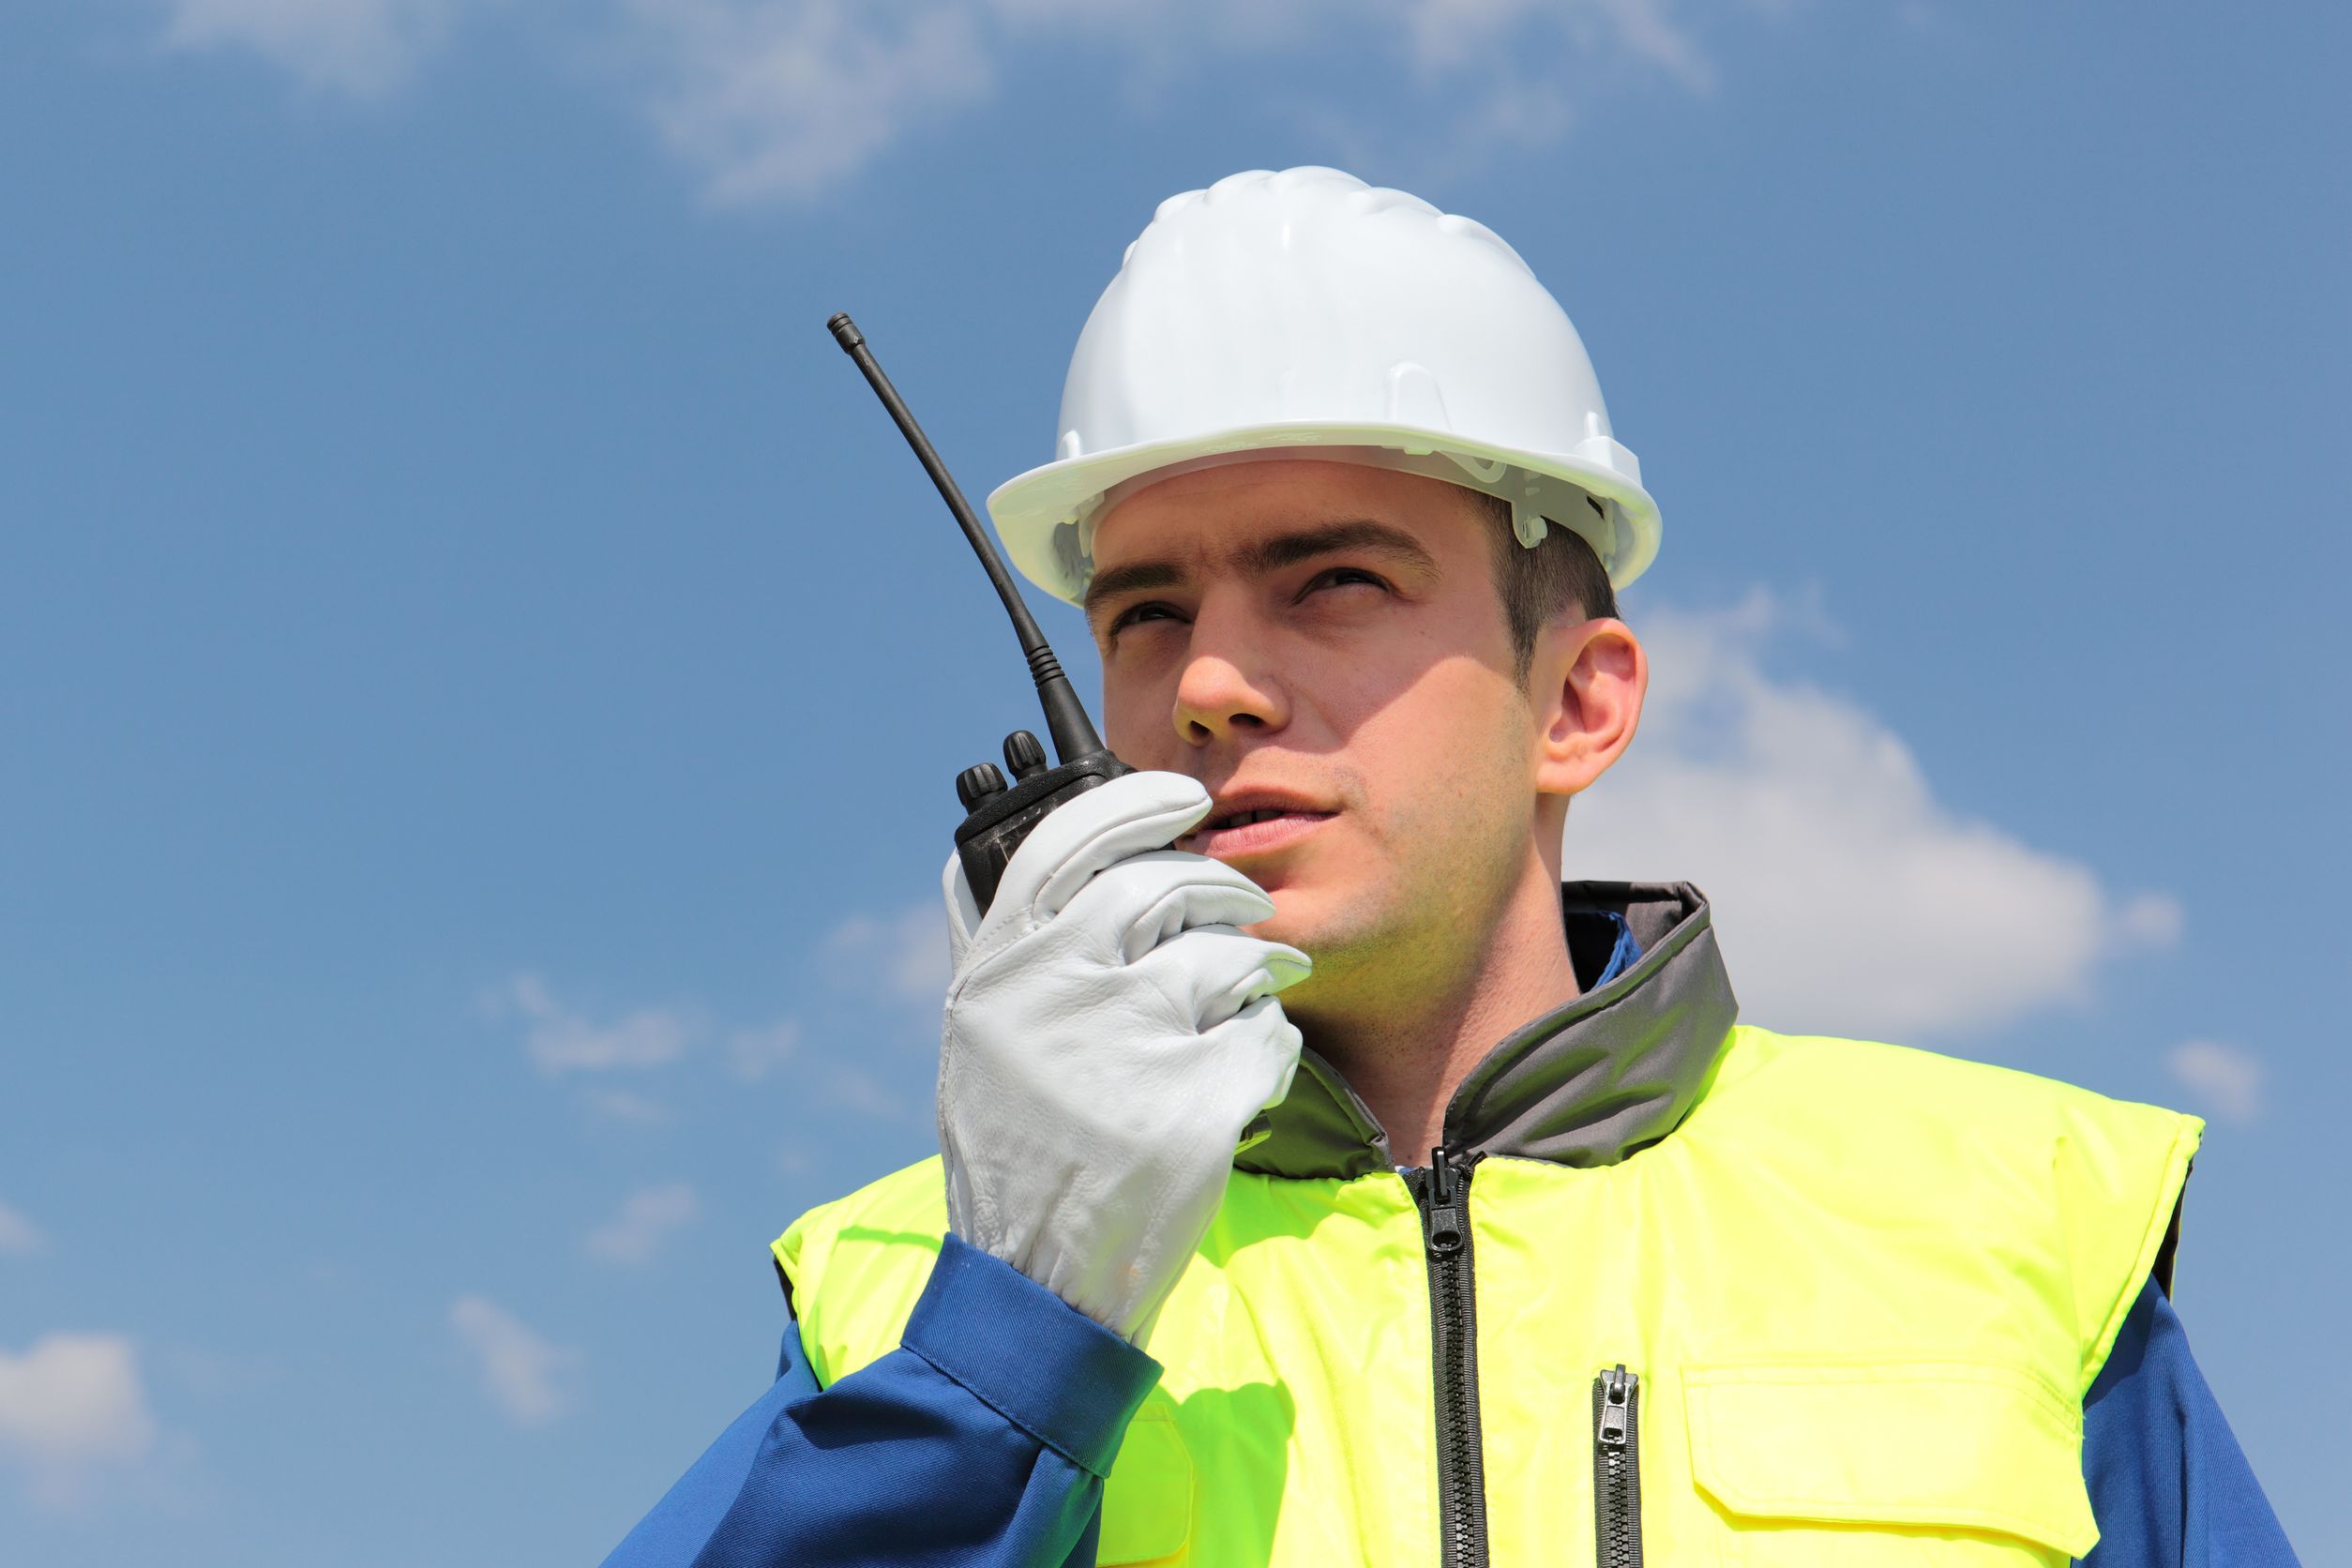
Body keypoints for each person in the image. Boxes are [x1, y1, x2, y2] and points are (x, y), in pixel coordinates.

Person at [604, 168, 2298, 1566]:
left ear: (1577, 703)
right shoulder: (904, 1292)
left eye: (1334, 581)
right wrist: (1008, 1343)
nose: (1210, 683)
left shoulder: (2015, 1222)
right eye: (1146, 614)